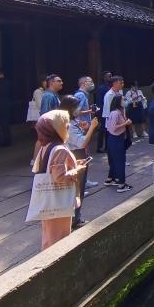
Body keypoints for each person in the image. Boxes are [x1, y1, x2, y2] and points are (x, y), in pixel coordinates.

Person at [33, 110, 87, 250]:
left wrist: (73, 164)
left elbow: (50, 168)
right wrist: (77, 170)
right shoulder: (59, 148)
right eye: (65, 124)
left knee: (49, 236)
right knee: (58, 239)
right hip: (59, 201)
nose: (67, 126)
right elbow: (60, 177)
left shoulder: (46, 146)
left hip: (48, 201)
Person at [59, 95, 99, 228]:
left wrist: (85, 128)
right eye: (76, 107)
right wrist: (92, 127)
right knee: (77, 189)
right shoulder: (69, 124)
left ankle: (73, 218)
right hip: (76, 155)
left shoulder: (69, 121)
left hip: (74, 154)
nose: (78, 109)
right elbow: (81, 143)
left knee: (77, 188)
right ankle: (75, 219)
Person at [105, 95, 133, 192]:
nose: (125, 101)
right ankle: (121, 184)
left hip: (117, 139)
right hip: (116, 139)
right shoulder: (115, 113)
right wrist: (126, 123)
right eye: (123, 99)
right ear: (118, 101)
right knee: (120, 161)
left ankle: (111, 178)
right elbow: (113, 128)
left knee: (114, 161)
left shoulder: (120, 111)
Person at [101, 76, 124, 182]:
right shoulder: (109, 95)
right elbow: (109, 113)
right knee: (113, 152)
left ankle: (112, 175)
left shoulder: (118, 93)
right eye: (120, 83)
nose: (122, 84)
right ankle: (115, 176)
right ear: (114, 83)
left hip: (119, 125)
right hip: (112, 127)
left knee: (117, 152)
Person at [95, 71, 112, 153]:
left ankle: (107, 147)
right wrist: (100, 113)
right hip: (103, 112)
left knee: (108, 129)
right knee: (102, 130)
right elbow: (99, 102)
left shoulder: (110, 87)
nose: (111, 78)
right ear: (105, 78)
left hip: (109, 111)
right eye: (109, 76)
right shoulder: (101, 88)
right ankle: (100, 147)